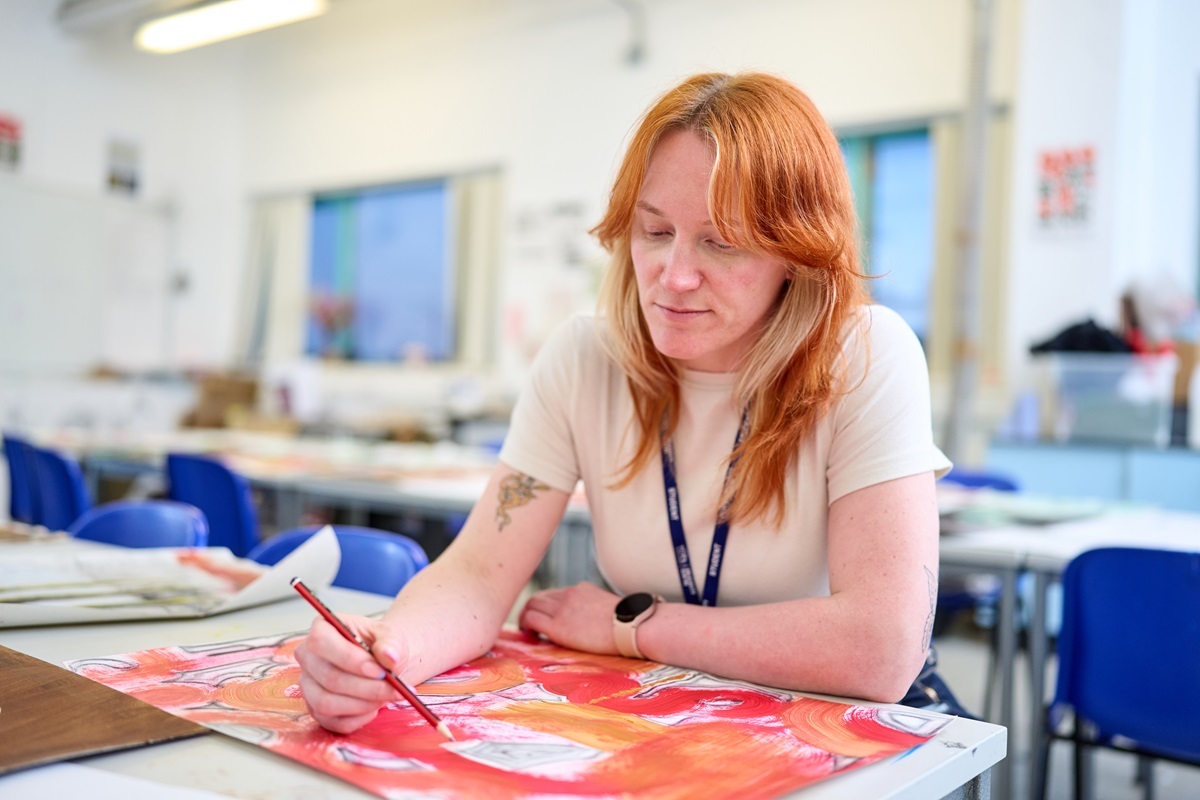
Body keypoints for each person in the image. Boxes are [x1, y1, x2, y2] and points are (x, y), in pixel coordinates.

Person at [296, 71, 965, 734]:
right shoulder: (584, 359)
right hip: (669, 718)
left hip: (846, 728)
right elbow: (477, 573)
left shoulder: (866, 352)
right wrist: (388, 652)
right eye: (654, 232)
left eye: (721, 241)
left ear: (797, 252)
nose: (673, 277)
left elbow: (879, 648)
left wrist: (633, 624)